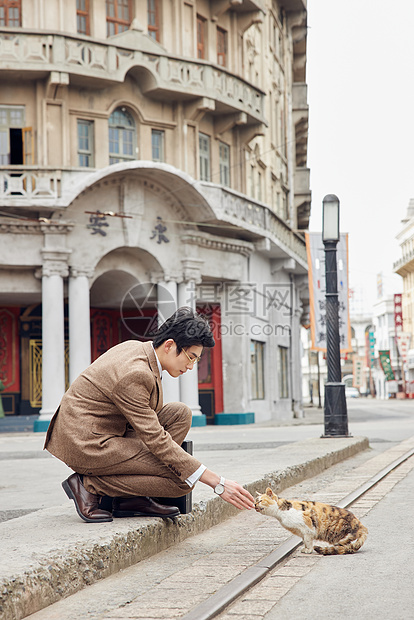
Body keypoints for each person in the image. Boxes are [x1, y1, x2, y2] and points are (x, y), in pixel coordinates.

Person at [44, 307, 254, 523]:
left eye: (196, 361)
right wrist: (217, 482)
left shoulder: (138, 348)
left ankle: (129, 499)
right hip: (88, 444)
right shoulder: (135, 374)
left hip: (106, 429)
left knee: (180, 414)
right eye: (190, 358)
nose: (191, 367)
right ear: (170, 345)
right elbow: (155, 438)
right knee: (182, 481)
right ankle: (88, 485)